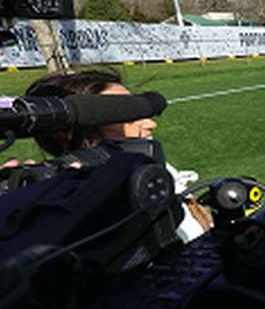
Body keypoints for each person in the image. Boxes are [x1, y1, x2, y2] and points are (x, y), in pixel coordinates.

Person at [21, 69, 210, 242]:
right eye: (126, 115)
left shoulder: (153, 172)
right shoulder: (74, 216)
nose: (150, 124)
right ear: (81, 132)